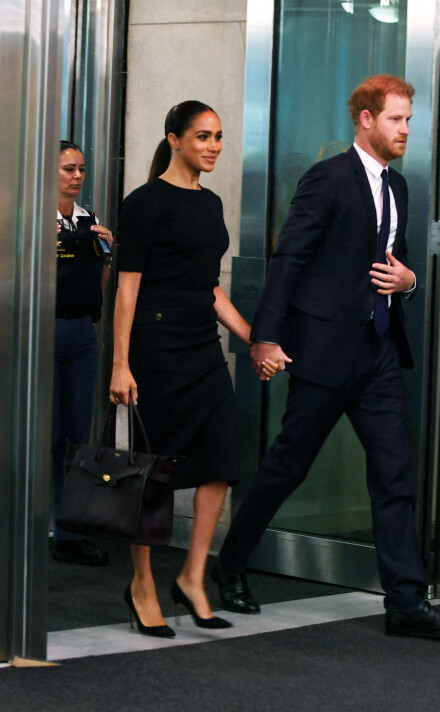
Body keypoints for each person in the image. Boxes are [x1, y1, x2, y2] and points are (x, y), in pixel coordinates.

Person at [212, 75, 440, 638]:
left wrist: (408, 282)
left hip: (378, 352)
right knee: (287, 466)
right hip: (325, 352)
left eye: (408, 119)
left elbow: (394, 264)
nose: (407, 129)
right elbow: (289, 260)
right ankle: (231, 562)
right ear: (366, 119)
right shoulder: (326, 179)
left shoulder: (398, 188)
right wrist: (265, 337)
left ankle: (405, 602)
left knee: (393, 474)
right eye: (397, 119)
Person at [109, 100, 277, 638]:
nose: (214, 146)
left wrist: (252, 336)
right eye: (203, 136)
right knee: (151, 474)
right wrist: (120, 363)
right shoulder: (144, 203)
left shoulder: (212, 203)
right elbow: (126, 288)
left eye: (220, 137)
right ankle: (142, 585)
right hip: (155, 350)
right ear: (174, 138)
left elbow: (209, 287)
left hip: (203, 348)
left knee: (223, 461)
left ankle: (192, 576)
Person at [52, 141, 114, 566]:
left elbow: (101, 287)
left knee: (78, 437)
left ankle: (71, 531)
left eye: (81, 169)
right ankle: (38, 522)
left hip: (82, 332)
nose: (77, 176)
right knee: (48, 436)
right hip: (42, 332)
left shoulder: (89, 222)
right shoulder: (33, 220)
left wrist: (105, 249)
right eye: (68, 169)